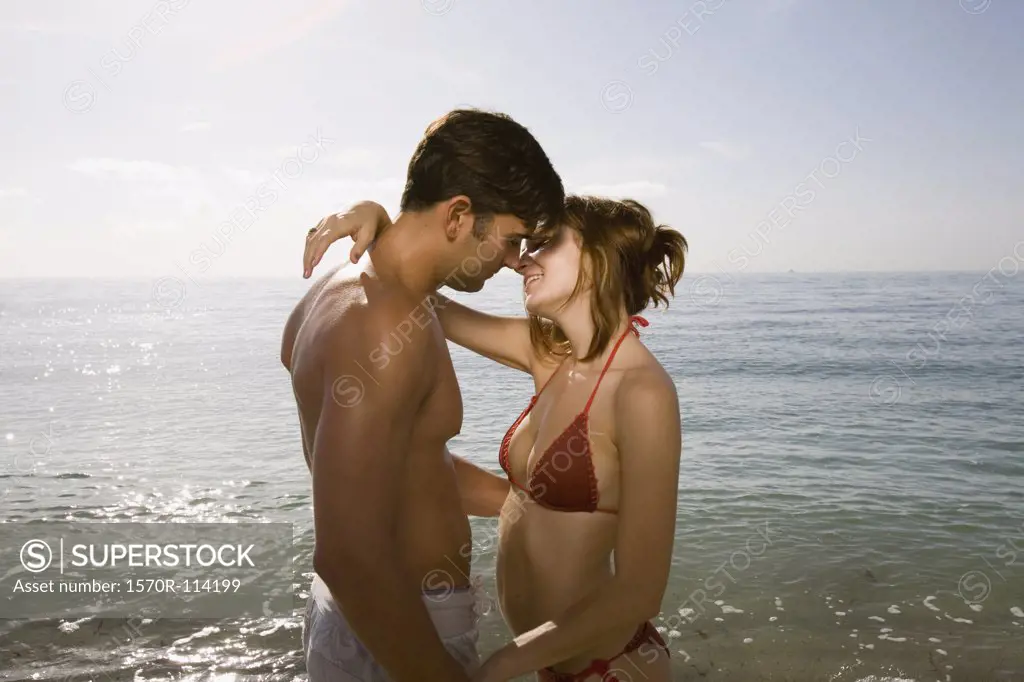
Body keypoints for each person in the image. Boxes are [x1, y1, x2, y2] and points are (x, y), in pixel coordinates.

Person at [303, 194, 687, 681]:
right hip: (547, 664)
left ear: (596, 259)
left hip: (610, 667)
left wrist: (504, 663)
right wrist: (380, 223)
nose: (523, 260)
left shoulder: (643, 393)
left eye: (545, 245)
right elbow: (423, 300)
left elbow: (639, 591)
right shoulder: (548, 354)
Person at [281, 108, 564, 681]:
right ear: (460, 214)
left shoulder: (345, 292)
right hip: (398, 632)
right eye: (512, 240)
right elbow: (350, 558)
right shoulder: (387, 325)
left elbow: (402, 461)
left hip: (373, 628)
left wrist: (516, 505)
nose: (515, 262)